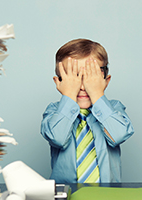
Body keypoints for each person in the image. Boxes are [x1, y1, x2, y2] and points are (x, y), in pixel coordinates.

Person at [40, 38, 134, 183]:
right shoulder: (54, 111)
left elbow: (119, 135)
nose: (82, 87)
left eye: (90, 78)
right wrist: (69, 94)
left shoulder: (114, 108)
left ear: (106, 80)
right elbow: (57, 138)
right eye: (74, 78)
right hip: (67, 195)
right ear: (59, 82)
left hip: (108, 196)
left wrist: (96, 93)